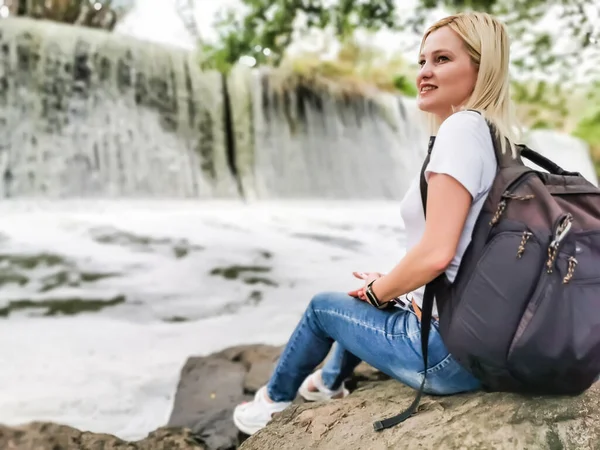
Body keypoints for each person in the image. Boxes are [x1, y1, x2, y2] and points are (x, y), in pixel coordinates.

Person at [233, 11, 521, 436]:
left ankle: (270, 404)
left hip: (447, 356)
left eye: (441, 60)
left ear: (482, 68)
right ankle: (327, 383)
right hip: (482, 342)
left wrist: (377, 291)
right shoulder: (493, 136)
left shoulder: (460, 131)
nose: (424, 72)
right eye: (421, 61)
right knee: (380, 294)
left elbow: (437, 254)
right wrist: (392, 288)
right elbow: (460, 254)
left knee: (322, 309)